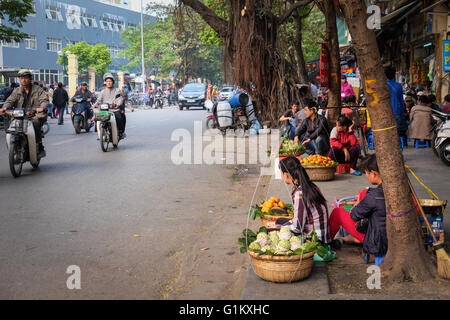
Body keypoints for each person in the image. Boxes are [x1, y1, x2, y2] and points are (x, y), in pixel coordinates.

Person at [328, 154, 387, 264]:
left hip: (377, 240)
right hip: (389, 236)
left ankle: (326, 243)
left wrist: (358, 204)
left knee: (338, 212)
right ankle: (343, 239)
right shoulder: (398, 189)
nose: (366, 176)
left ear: (374, 173)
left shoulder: (374, 195)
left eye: (367, 173)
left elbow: (354, 215)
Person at [278, 156, 331, 244]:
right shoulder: (311, 186)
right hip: (322, 237)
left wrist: (280, 228)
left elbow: (297, 227)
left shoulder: (300, 193)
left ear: (285, 175)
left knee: (276, 229)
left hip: (315, 242)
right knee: (280, 222)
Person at [0, 69, 49, 157]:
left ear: (30, 79)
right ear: (19, 79)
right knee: (11, 127)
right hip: (19, 115)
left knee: (36, 124)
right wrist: (4, 107)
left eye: (26, 78)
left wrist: (42, 107)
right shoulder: (17, 90)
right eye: (21, 78)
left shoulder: (38, 89)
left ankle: (40, 145)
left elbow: (44, 100)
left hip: (34, 115)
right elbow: (10, 100)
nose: (23, 80)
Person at [95, 73, 126, 139]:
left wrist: (119, 103)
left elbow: (119, 98)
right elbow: (99, 100)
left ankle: (120, 132)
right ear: (105, 82)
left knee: (119, 118)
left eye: (110, 81)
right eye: (107, 81)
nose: (108, 83)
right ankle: (100, 133)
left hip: (114, 110)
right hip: (105, 111)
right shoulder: (103, 91)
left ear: (113, 82)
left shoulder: (117, 90)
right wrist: (95, 105)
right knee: (97, 118)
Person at [385, 67, 408, 145]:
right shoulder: (398, 86)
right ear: (394, 75)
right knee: (396, 131)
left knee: (387, 130)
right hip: (397, 111)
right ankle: (397, 146)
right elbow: (401, 100)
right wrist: (401, 111)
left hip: (385, 112)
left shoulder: (383, 85)